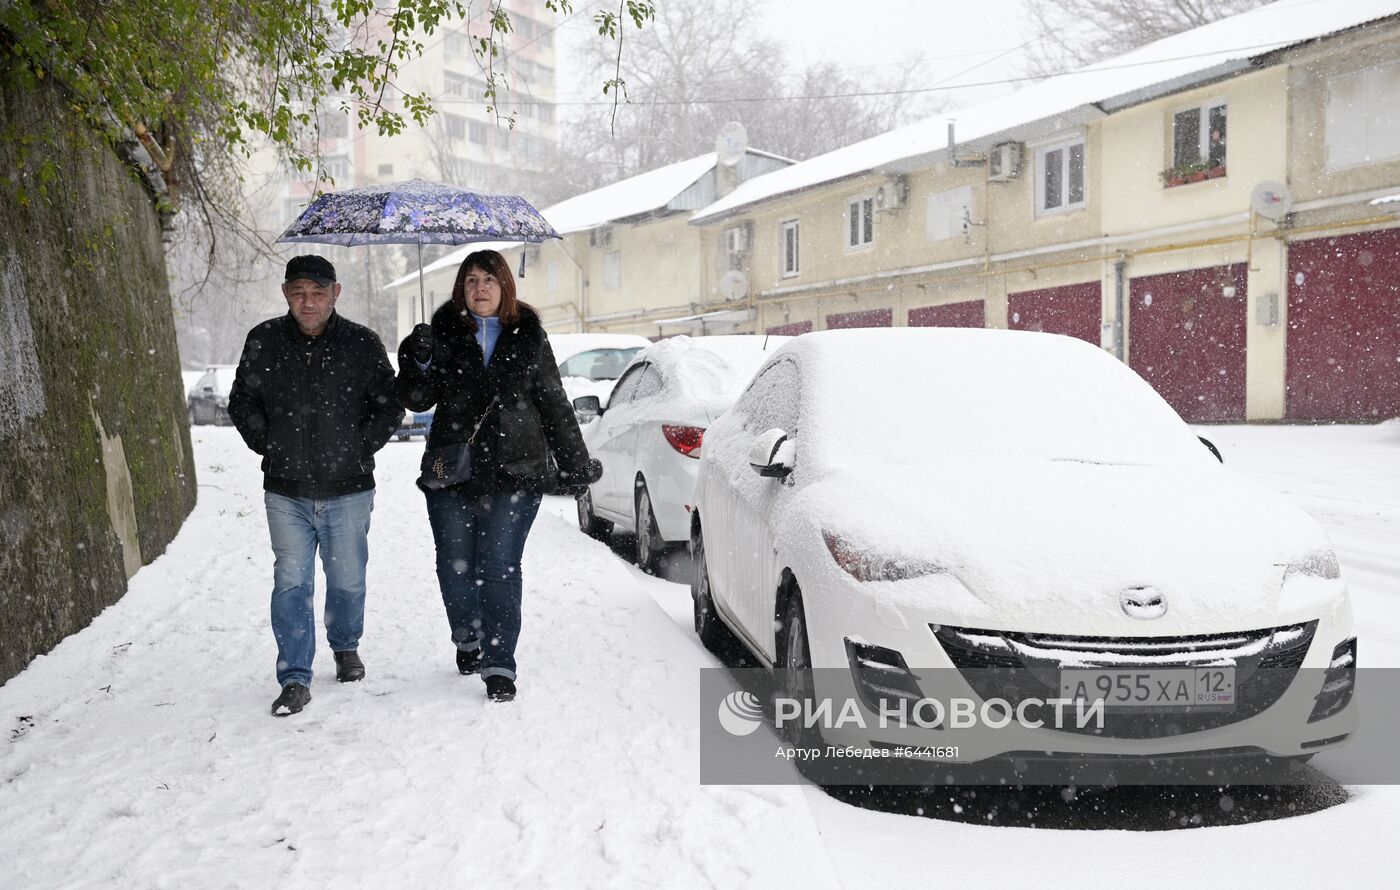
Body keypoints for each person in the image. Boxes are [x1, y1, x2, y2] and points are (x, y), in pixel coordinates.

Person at [395, 249, 597, 703]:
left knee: (500, 566)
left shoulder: (529, 336)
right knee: (455, 564)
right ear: (459, 289)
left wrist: (575, 462)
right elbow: (417, 398)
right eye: (470, 280)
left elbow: (553, 401)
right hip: (453, 467)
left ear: (505, 286)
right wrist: (419, 358)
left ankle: (500, 662)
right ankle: (467, 637)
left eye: (489, 279)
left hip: (515, 468)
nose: (479, 289)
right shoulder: (441, 334)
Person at [228, 255, 402, 717]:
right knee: (291, 582)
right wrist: (269, 443)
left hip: (349, 489)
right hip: (286, 490)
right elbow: (241, 401)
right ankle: (295, 677)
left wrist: (361, 447)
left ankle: (345, 646)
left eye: (318, 292)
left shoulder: (361, 344)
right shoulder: (264, 341)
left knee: (347, 580)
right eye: (299, 292)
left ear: (335, 293)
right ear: (286, 293)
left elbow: (390, 405)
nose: (308, 302)